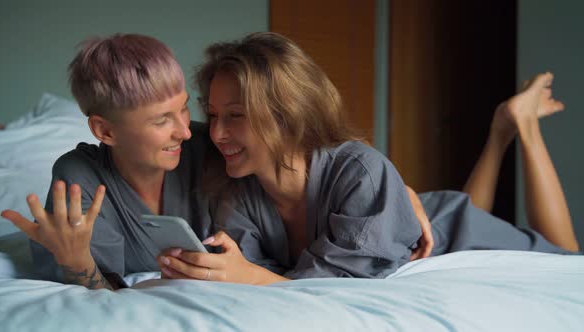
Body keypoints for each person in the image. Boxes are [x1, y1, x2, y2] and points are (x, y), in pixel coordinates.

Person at [156, 32, 579, 284]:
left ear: (287, 117)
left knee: (569, 260)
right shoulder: (240, 193)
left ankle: (520, 126)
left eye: (235, 117)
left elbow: (338, 285)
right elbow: (258, 271)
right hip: (410, 223)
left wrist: (249, 276)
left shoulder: (359, 169)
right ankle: (501, 131)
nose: (216, 133)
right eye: (212, 115)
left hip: (453, 230)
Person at [1, 34, 216, 290]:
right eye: (161, 120)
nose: (185, 132)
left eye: (184, 108)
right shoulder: (80, 175)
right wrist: (78, 263)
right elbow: (103, 291)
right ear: (105, 132)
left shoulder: (212, 147)